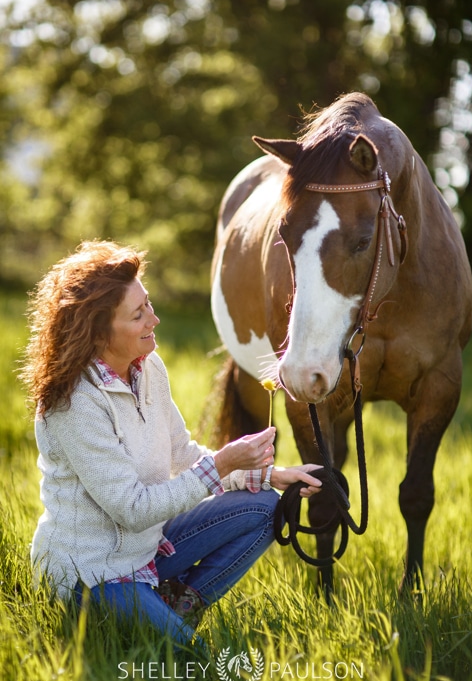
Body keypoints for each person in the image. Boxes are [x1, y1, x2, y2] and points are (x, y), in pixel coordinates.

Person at [22, 240, 322, 646]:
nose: (155, 319)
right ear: (98, 332)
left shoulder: (149, 368)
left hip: (147, 552)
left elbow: (183, 456)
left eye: (149, 305)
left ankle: (175, 602)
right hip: (92, 575)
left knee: (265, 504)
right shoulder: (74, 403)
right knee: (195, 659)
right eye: (139, 314)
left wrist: (272, 474)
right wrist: (221, 465)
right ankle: (160, 620)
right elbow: (131, 509)